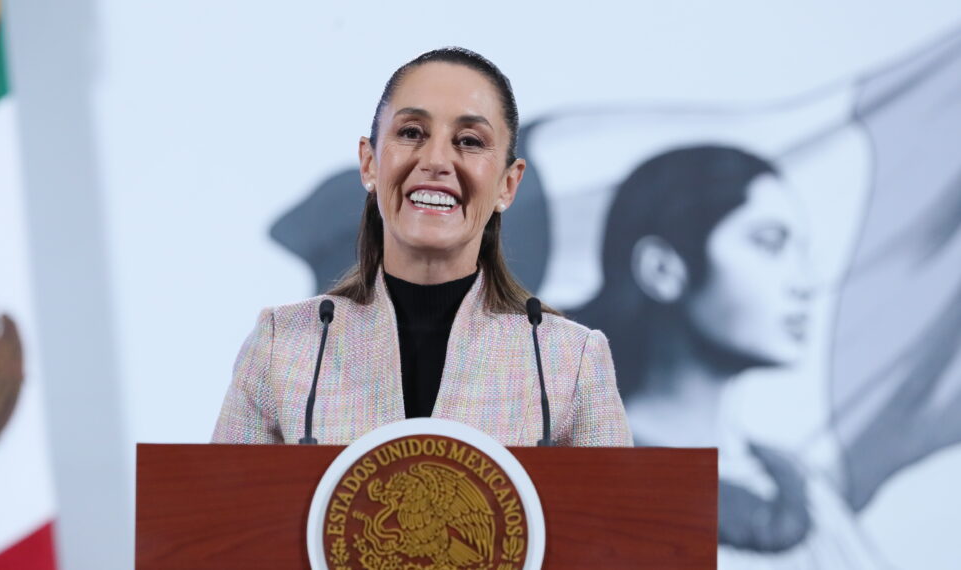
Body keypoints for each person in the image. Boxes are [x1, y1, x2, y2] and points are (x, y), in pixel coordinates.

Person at [212, 47, 632, 447]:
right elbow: (221, 515)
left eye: (469, 140)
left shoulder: (567, 362)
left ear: (508, 184)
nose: (435, 160)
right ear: (369, 163)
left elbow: (617, 520)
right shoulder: (282, 348)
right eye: (412, 132)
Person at [572, 145, 884, 567]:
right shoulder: (581, 483)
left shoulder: (803, 488)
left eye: (800, 250)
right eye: (769, 243)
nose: (806, 283)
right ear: (662, 269)